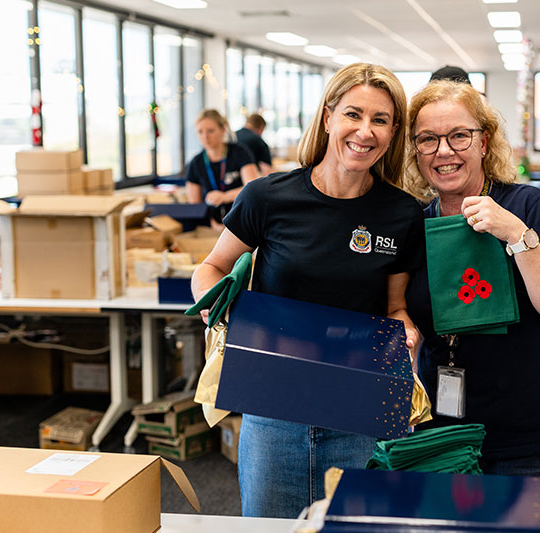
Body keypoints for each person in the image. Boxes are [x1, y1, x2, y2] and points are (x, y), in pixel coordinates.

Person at [191, 63, 424, 518]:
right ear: (328, 118)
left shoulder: (402, 214)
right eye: (353, 114)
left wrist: (406, 331)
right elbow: (212, 266)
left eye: (380, 120)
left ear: (394, 132)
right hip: (275, 408)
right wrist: (214, 306)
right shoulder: (266, 197)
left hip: (362, 411)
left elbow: (396, 308)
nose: (365, 131)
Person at [403, 80, 540, 478]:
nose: (444, 151)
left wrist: (518, 236)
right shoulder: (415, 223)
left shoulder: (527, 205)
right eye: (428, 140)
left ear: (484, 142)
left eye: (459, 136)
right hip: (444, 434)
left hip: (531, 439)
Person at [185, 109, 259, 229]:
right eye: (200, 132)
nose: (205, 137)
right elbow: (195, 206)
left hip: (243, 221)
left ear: (223, 130)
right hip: (212, 226)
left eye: (210, 131)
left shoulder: (240, 152)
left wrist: (225, 197)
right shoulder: (196, 163)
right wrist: (212, 224)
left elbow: (253, 188)